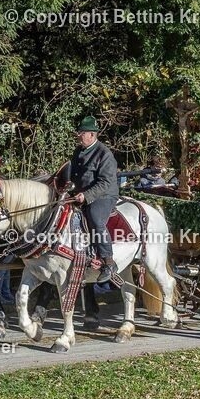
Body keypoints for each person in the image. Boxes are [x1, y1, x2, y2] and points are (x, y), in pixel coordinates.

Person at [70, 115, 120, 283]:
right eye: (79, 132)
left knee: (95, 218)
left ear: (91, 134)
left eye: (81, 133)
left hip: (103, 195)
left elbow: (105, 182)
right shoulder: (78, 151)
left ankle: (109, 261)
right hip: (79, 193)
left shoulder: (105, 154)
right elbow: (72, 174)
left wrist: (87, 195)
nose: (78, 135)